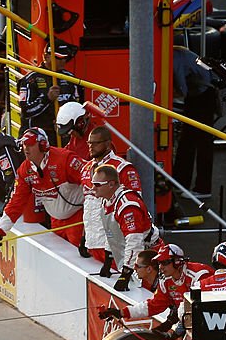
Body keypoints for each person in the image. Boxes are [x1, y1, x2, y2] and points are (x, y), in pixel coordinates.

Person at [0, 127, 85, 252]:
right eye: (24, 144)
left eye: (30, 144)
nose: (26, 148)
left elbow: (90, 183)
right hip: (56, 221)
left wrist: (88, 228)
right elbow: (16, 203)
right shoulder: (24, 171)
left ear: (43, 145)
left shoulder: (65, 159)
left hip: (78, 219)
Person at [97, 243, 212, 328]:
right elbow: (153, 305)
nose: (161, 267)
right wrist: (121, 312)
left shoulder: (198, 275)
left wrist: (175, 323)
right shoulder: (165, 280)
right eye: (160, 263)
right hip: (190, 321)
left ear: (177, 262)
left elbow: (204, 307)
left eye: (165, 263)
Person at [90, 164, 162, 292]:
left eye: (97, 184)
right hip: (132, 256)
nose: (93, 188)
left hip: (148, 257)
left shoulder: (127, 205)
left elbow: (135, 242)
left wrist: (126, 274)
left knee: (151, 294)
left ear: (111, 184)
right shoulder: (107, 200)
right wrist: (108, 260)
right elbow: (111, 232)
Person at [80, 126, 142, 268]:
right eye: (89, 143)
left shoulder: (123, 168)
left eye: (96, 143)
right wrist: (83, 236)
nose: (91, 147)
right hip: (92, 242)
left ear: (108, 143)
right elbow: (87, 205)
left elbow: (136, 205)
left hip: (115, 243)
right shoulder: (86, 168)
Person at [172, 46, 217, 198]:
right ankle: (179, 183)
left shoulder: (175, 58)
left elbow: (181, 90)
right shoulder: (179, 53)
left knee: (202, 142)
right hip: (198, 93)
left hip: (204, 95)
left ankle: (203, 188)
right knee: (186, 141)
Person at [17, 43, 83, 135]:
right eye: (59, 58)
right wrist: (47, 98)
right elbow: (26, 112)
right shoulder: (31, 79)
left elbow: (77, 106)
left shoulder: (70, 78)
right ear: (46, 56)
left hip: (62, 133)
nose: (63, 61)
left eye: (65, 58)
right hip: (38, 135)